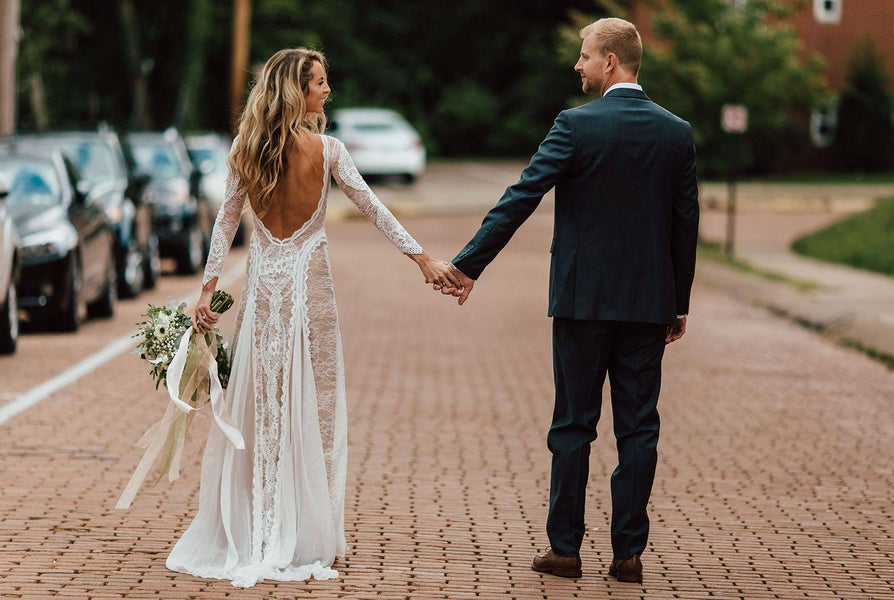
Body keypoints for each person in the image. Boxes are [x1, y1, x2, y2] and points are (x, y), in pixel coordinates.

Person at [171, 48, 459, 588]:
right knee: (312, 404)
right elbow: (375, 207)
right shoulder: (327, 151)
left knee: (262, 401)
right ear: (297, 90)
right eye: (320, 83)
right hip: (309, 287)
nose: (328, 91)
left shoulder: (245, 149)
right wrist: (421, 258)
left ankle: (258, 525)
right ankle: (303, 530)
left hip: (263, 288)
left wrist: (207, 291)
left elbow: (224, 226)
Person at [439, 18, 699, 583]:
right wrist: (677, 303)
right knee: (639, 428)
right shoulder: (677, 133)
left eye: (584, 57)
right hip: (647, 306)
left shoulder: (576, 126)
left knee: (573, 425)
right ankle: (628, 554)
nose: (576, 66)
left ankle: (565, 549)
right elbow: (685, 225)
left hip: (581, 303)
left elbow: (523, 194)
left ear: (611, 62)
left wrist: (467, 265)